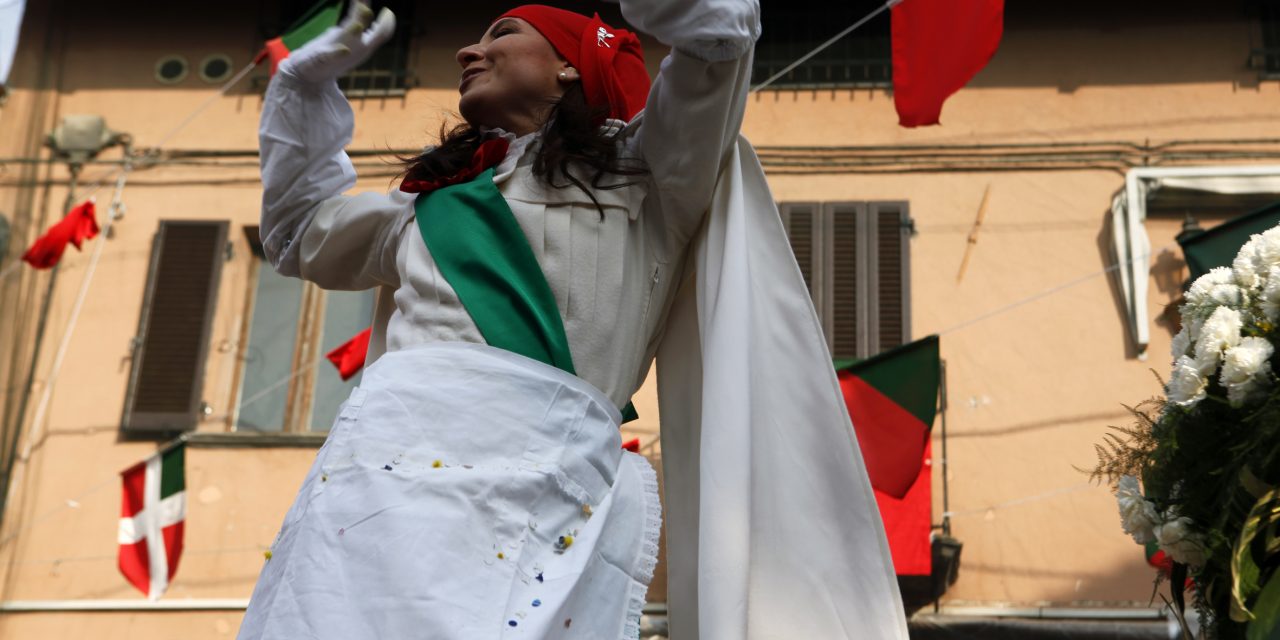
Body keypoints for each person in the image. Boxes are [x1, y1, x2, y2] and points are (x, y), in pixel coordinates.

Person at [240, 1, 909, 638]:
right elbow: (299, 233)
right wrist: (303, 92)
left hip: (543, 481)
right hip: (380, 472)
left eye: (503, 32)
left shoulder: (652, 172)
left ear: (569, 64)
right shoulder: (425, 207)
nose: (469, 49)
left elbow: (720, 36)